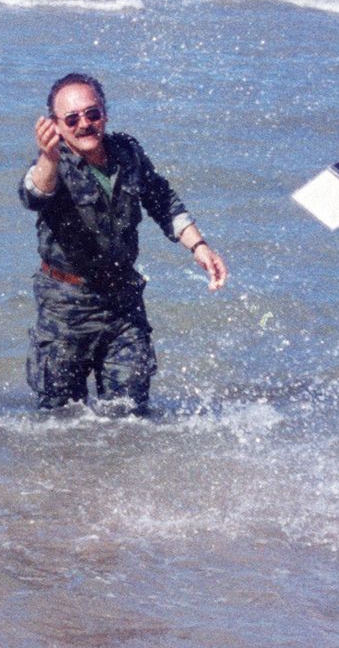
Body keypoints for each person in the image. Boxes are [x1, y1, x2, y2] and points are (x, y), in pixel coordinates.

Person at [18, 73, 227, 413]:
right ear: (56, 126)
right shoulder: (51, 166)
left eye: (92, 114)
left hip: (123, 306)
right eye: (71, 119)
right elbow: (33, 194)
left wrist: (199, 246)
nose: (84, 124)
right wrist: (49, 158)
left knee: (129, 417)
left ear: (105, 113)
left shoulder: (127, 154)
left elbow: (162, 199)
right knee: (59, 421)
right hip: (65, 310)